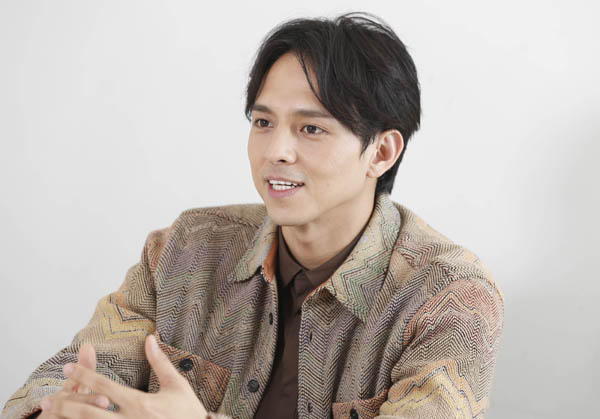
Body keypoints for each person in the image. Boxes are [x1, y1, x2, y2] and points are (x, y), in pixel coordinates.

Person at [1, 11, 504, 419]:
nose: (275, 151)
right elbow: (67, 376)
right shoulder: (184, 249)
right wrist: (60, 408)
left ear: (382, 152)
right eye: (263, 122)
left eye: (311, 129)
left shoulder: (450, 297)